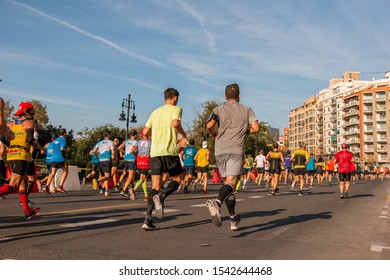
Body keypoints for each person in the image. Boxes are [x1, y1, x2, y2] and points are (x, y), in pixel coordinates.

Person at [205, 83, 259, 231]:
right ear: (239, 95)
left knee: (228, 186)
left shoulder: (218, 109)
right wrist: (245, 132)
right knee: (232, 183)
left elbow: (209, 125)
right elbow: (256, 128)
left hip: (220, 149)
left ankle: (233, 218)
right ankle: (217, 202)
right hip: (235, 149)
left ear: (225, 96)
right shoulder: (246, 109)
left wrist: (213, 135)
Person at [141, 88, 187, 230]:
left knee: (154, 186)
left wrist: (154, 139)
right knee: (178, 180)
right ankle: (162, 196)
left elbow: (145, 132)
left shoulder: (155, 112)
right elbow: (175, 123)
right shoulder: (176, 108)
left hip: (155, 153)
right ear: (175, 98)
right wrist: (183, 135)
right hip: (169, 152)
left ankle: (147, 220)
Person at [0, 101, 40, 218]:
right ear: (26, 111)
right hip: (22, 156)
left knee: (22, 184)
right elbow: (29, 140)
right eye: (32, 110)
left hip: (11, 156)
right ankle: (28, 210)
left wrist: (11, 144)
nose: (33, 112)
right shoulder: (29, 124)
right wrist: (36, 144)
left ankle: (28, 211)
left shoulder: (11, 125)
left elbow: (2, 137)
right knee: (13, 186)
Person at [93, 130, 115, 197]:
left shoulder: (99, 143)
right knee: (107, 176)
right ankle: (97, 181)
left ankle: (106, 191)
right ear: (108, 135)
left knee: (106, 177)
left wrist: (98, 155)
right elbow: (113, 152)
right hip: (107, 160)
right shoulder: (111, 142)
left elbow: (94, 151)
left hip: (100, 161)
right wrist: (113, 155)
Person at [118, 129, 138, 200]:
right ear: (135, 135)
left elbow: (119, 148)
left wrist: (124, 153)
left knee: (131, 177)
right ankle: (124, 190)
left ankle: (131, 191)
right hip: (132, 159)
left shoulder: (126, 141)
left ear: (130, 135)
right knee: (131, 176)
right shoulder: (136, 142)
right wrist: (136, 154)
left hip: (126, 159)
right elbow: (133, 150)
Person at [133, 131, 151, 202]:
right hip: (146, 159)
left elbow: (132, 150)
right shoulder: (150, 142)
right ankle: (133, 189)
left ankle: (146, 195)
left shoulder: (138, 142)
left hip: (139, 160)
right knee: (143, 178)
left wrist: (136, 156)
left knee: (144, 178)